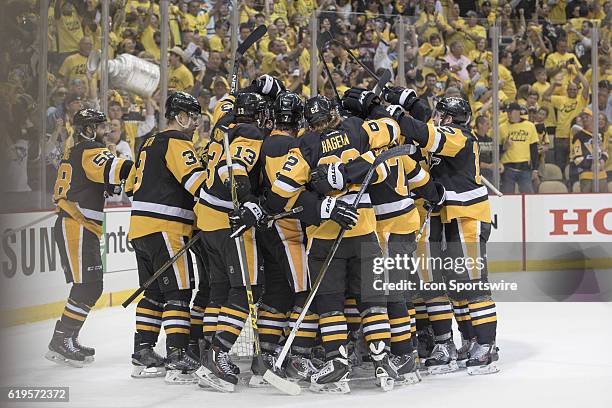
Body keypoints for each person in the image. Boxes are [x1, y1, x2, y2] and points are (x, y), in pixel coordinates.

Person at [264, 93, 398, 393]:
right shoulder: (357, 128)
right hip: (364, 229)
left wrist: (325, 194)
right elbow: (391, 132)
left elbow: (278, 195)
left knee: (330, 304)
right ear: (334, 112)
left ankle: (337, 362)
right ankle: (381, 358)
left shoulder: (304, 145)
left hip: (326, 235)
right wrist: (357, 168)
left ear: (307, 122)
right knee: (371, 299)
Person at [381, 89, 500, 375]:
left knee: (471, 284)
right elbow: (423, 134)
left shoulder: (460, 135)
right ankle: (459, 342)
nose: (437, 118)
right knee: (450, 285)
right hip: (448, 217)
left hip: (467, 215)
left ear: (450, 117)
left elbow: (428, 134)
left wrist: (396, 115)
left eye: (441, 114)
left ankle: (486, 346)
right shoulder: (440, 138)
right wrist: (408, 103)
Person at [127, 92, 207, 382]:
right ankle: (177, 355)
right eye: (193, 117)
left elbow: (130, 186)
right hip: (166, 228)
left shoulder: (148, 143)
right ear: (181, 116)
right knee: (179, 291)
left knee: (154, 292)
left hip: (140, 229)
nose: (196, 124)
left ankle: (143, 351)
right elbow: (196, 182)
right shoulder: (177, 141)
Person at [47, 109, 133, 367]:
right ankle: (61, 339)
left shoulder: (77, 151)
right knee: (89, 286)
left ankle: (68, 337)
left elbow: (98, 180)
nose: (104, 130)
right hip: (76, 224)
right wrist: (144, 167)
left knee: (90, 286)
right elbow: (115, 168)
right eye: (98, 126)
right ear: (87, 129)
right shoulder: (90, 150)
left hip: (81, 224)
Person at [499, 103, 540, 194]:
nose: (509, 114)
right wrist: (504, 147)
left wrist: (535, 168)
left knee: (528, 195)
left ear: (518, 112)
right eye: (508, 112)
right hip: (507, 167)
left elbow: (533, 149)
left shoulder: (529, 126)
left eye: (511, 112)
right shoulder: (502, 128)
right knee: (507, 195)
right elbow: (497, 150)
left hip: (525, 167)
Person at [571, 108, 608, 192]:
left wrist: (602, 161)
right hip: (586, 175)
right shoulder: (578, 136)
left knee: (604, 202)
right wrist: (590, 165)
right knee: (586, 203)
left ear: (593, 118)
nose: (584, 119)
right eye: (582, 117)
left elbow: (605, 151)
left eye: (587, 116)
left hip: (602, 175)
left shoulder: (600, 134)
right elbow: (577, 157)